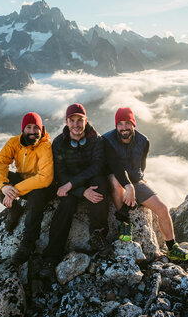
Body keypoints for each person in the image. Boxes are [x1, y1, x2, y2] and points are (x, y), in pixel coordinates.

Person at [103, 107, 188, 261]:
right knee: (114, 180)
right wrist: (128, 186)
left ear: (133, 124)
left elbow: (141, 166)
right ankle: (125, 222)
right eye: (120, 124)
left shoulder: (143, 141)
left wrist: (138, 183)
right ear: (116, 125)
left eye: (127, 123)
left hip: (136, 181)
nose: (124, 127)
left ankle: (172, 247)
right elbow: (112, 167)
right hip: (117, 180)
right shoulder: (108, 140)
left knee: (163, 209)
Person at [40, 103, 111, 277]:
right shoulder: (59, 143)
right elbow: (61, 175)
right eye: (72, 120)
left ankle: (98, 234)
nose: (76, 124)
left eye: (80, 120)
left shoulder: (97, 139)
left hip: (86, 181)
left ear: (86, 120)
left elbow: (97, 167)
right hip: (69, 186)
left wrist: (76, 186)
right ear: (66, 122)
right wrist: (80, 191)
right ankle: (51, 256)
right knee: (66, 204)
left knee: (100, 185)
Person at [0, 112, 54, 266]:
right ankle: (14, 210)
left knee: (37, 198)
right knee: (0, 181)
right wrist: (4, 186)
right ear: (23, 129)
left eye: (36, 128)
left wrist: (14, 191)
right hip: (23, 180)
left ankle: (28, 244)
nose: (33, 131)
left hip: (42, 186)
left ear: (41, 129)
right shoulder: (14, 142)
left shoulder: (45, 146)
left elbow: (45, 178)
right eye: (29, 127)